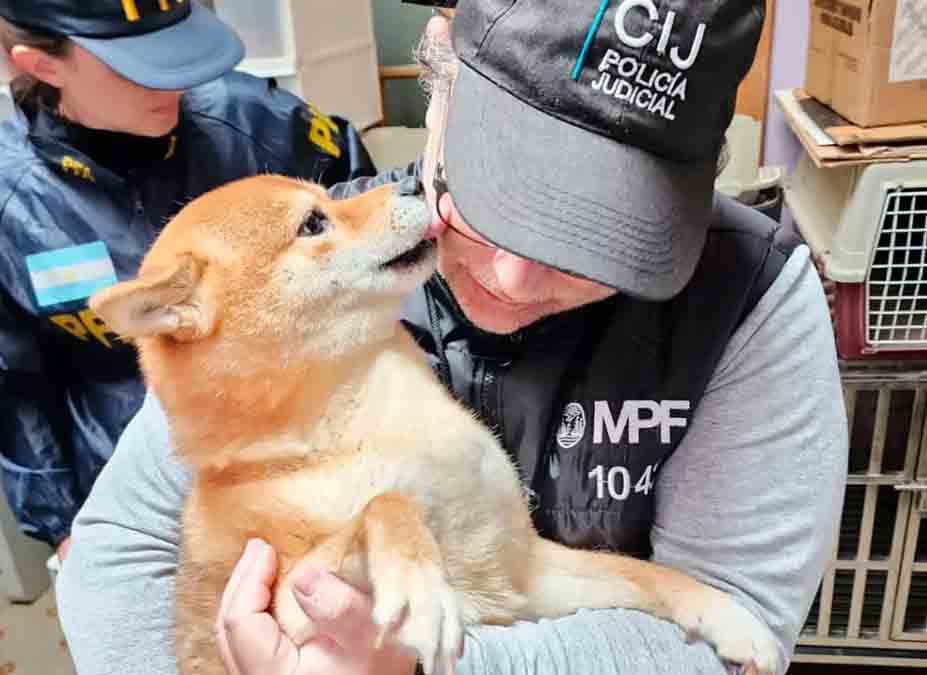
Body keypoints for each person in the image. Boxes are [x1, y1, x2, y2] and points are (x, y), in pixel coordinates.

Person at [57, 1, 849, 675]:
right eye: (489, 192)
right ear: (435, 97)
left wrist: (430, 660)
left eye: (593, 240)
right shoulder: (312, 289)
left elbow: (733, 640)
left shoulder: (746, 302)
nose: (508, 278)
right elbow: (119, 549)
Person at [0, 0, 376, 559]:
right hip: (142, 492)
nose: (174, 81)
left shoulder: (258, 121)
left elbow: (365, 227)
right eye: (136, 65)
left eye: (177, 49)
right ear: (42, 65)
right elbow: (16, 386)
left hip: (322, 448)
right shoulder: (14, 204)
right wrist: (63, 526)